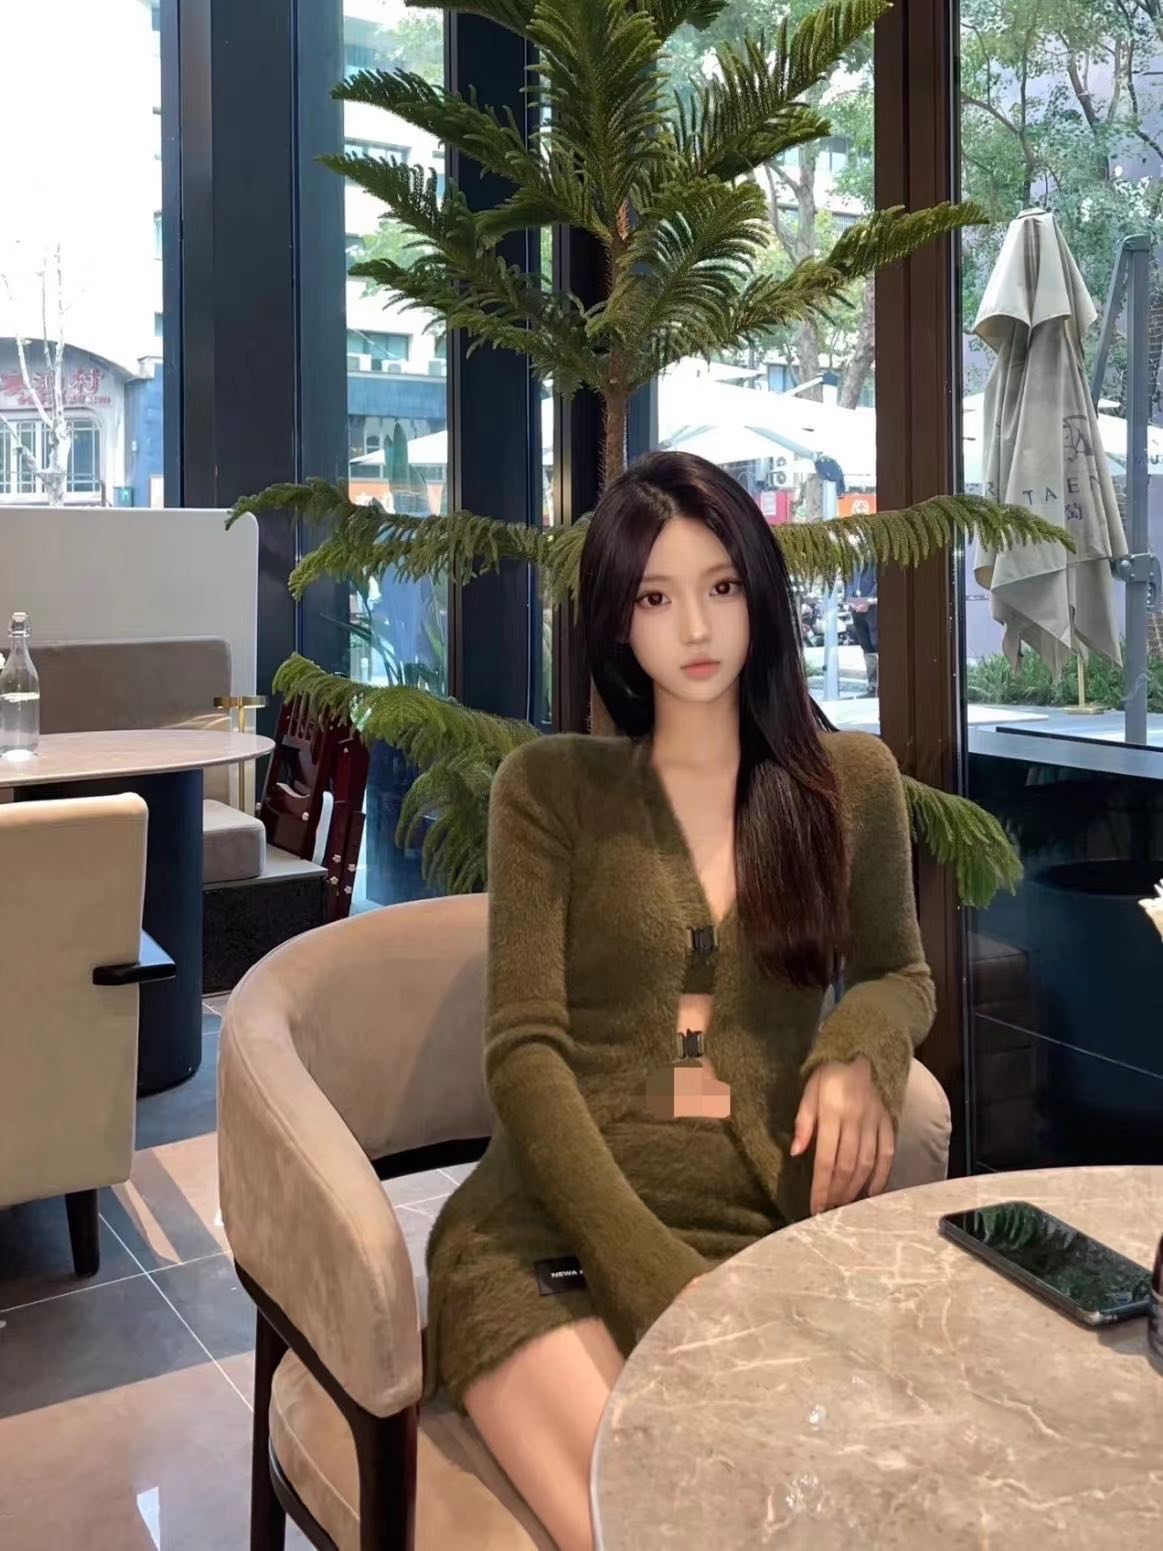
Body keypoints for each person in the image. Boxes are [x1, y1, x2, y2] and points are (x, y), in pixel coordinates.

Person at [423, 452, 934, 1551]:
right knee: (646, 1518)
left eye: (720, 586)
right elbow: (522, 1053)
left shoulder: (848, 786)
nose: (694, 627)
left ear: (759, 593)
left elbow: (900, 972)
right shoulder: (550, 791)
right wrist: (654, 1279)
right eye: (654, 598)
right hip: (548, 1234)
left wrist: (857, 1049)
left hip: (749, 1228)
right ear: (617, 624)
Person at [845, 559, 879, 693]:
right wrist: (851, 600)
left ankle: (882, 681)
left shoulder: (875, 558)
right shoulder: (852, 560)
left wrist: (867, 602)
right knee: (865, 645)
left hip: (873, 608)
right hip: (856, 608)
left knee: (876, 643)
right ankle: (873, 682)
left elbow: (880, 583)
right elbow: (849, 582)